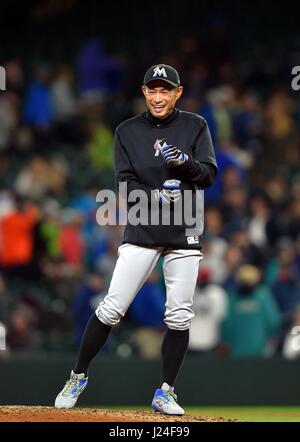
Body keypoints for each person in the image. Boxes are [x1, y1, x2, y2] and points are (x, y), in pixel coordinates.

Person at [55, 64, 217, 415]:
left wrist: (185, 162)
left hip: (184, 227)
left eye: (165, 90)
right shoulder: (127, 131)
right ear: (144, 92)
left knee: (179, 315)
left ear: (178, 93)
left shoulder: (196, 125)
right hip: (144, 227)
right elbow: (124, 184)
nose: (158, 96)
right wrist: (156, 195)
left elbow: (208, 176)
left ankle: (166, 391)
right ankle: (78, 375)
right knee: (112, 307)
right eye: (152, 90)